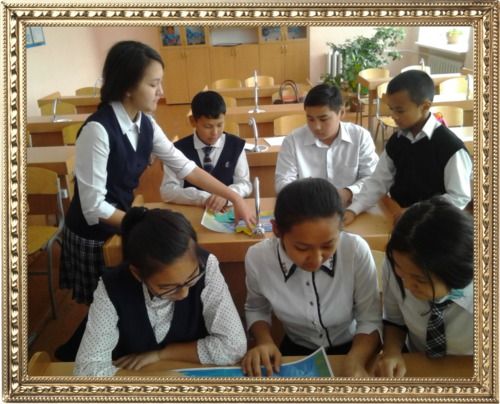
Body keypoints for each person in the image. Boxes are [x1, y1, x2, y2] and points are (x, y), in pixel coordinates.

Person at [60, 41, 254, 306]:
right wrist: (142, 226)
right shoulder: (98, 131)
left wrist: (235, 197)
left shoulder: (146, 123)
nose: (161, 92)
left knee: (126, 301)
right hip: (95, 234)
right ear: (128, 86)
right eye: (153, 84)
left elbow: (186, 167)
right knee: (103, 305)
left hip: (123, 220)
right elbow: (93, 206)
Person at [74, 207, 247, 376]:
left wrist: (162, 354)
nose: (184, 294)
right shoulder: (112, 287)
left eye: (191, 278)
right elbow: (88, 369)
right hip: (134, 373)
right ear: (137, 274)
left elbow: (234, 347)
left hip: (185, 366)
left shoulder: (206, 265)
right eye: (168, 287)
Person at [242, 178, 382, 377]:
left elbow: (369, 318)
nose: (316, 259)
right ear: (276, 229)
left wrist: (355, 361)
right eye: (302, 248)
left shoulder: (355, 250)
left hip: (356, 347)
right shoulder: (258, 258)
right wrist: (264, 341)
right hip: (296, 350)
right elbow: (256, 308)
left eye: (328, 245)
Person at [344, 70, 472, 225]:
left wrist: (416, 211)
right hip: (398, 215)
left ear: (425, 106)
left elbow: (459, 197)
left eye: (400, 110)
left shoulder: (451, 147)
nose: (393, 116)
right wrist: (354, 209)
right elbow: (378, 181)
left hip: (436, 223)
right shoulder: (397, 141)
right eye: (391, 109)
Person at [376, 196, 473, 377]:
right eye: (400, 271)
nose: (406, 285)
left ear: (456, 275)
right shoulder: (396, 265)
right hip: (416, 360)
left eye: (419, 280)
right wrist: (391, 352)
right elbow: (394, 321)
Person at [274, 83, 378, 208]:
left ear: (341, 113)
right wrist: (305, 197)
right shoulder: (293, 141)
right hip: (308, 209)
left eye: (323, 119)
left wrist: (349, 192)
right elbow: (283, 182)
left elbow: (372, 177)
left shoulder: (360, 137)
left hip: (352, 207)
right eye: (310, 119)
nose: (316, 126)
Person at [160, 90, 252, 211]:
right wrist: (203, 198)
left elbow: (245, 184)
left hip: (226, 211)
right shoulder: (178, 149)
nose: (215, 133)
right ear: (193, 121)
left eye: (219, 125)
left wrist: (227, 196)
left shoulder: (236, 145)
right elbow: (167, 191)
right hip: (193, 211)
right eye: (208, 126)